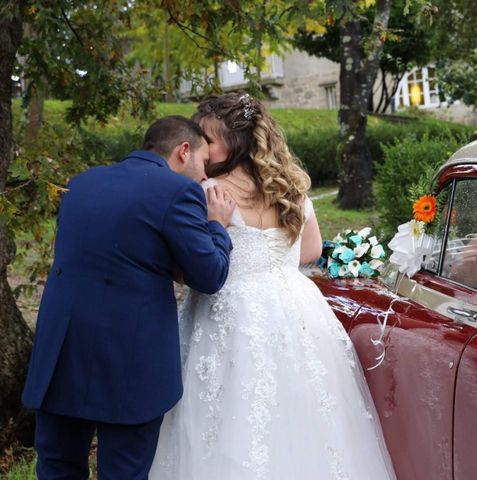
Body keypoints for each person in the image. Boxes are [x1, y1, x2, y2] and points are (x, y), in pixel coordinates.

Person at [150, 93, 396, 479]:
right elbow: (312, 249)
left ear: (234, 141)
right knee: (302, 415)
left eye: (208, 140)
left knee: (228, 417)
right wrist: (272, 261)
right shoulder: (291, 187)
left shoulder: (206, 192)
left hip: (228, 312)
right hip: (295, 308)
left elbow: (188, 267)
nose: (201, 149)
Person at [21, 116, 236, 479]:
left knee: (57, 466)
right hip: (130, 359)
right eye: (203, 162)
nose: (204, 176)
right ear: (184, 151)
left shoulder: (83, 182)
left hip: (61, 350)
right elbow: (210, 275)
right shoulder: (177, 192)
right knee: (124, 472)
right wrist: (217, 225)